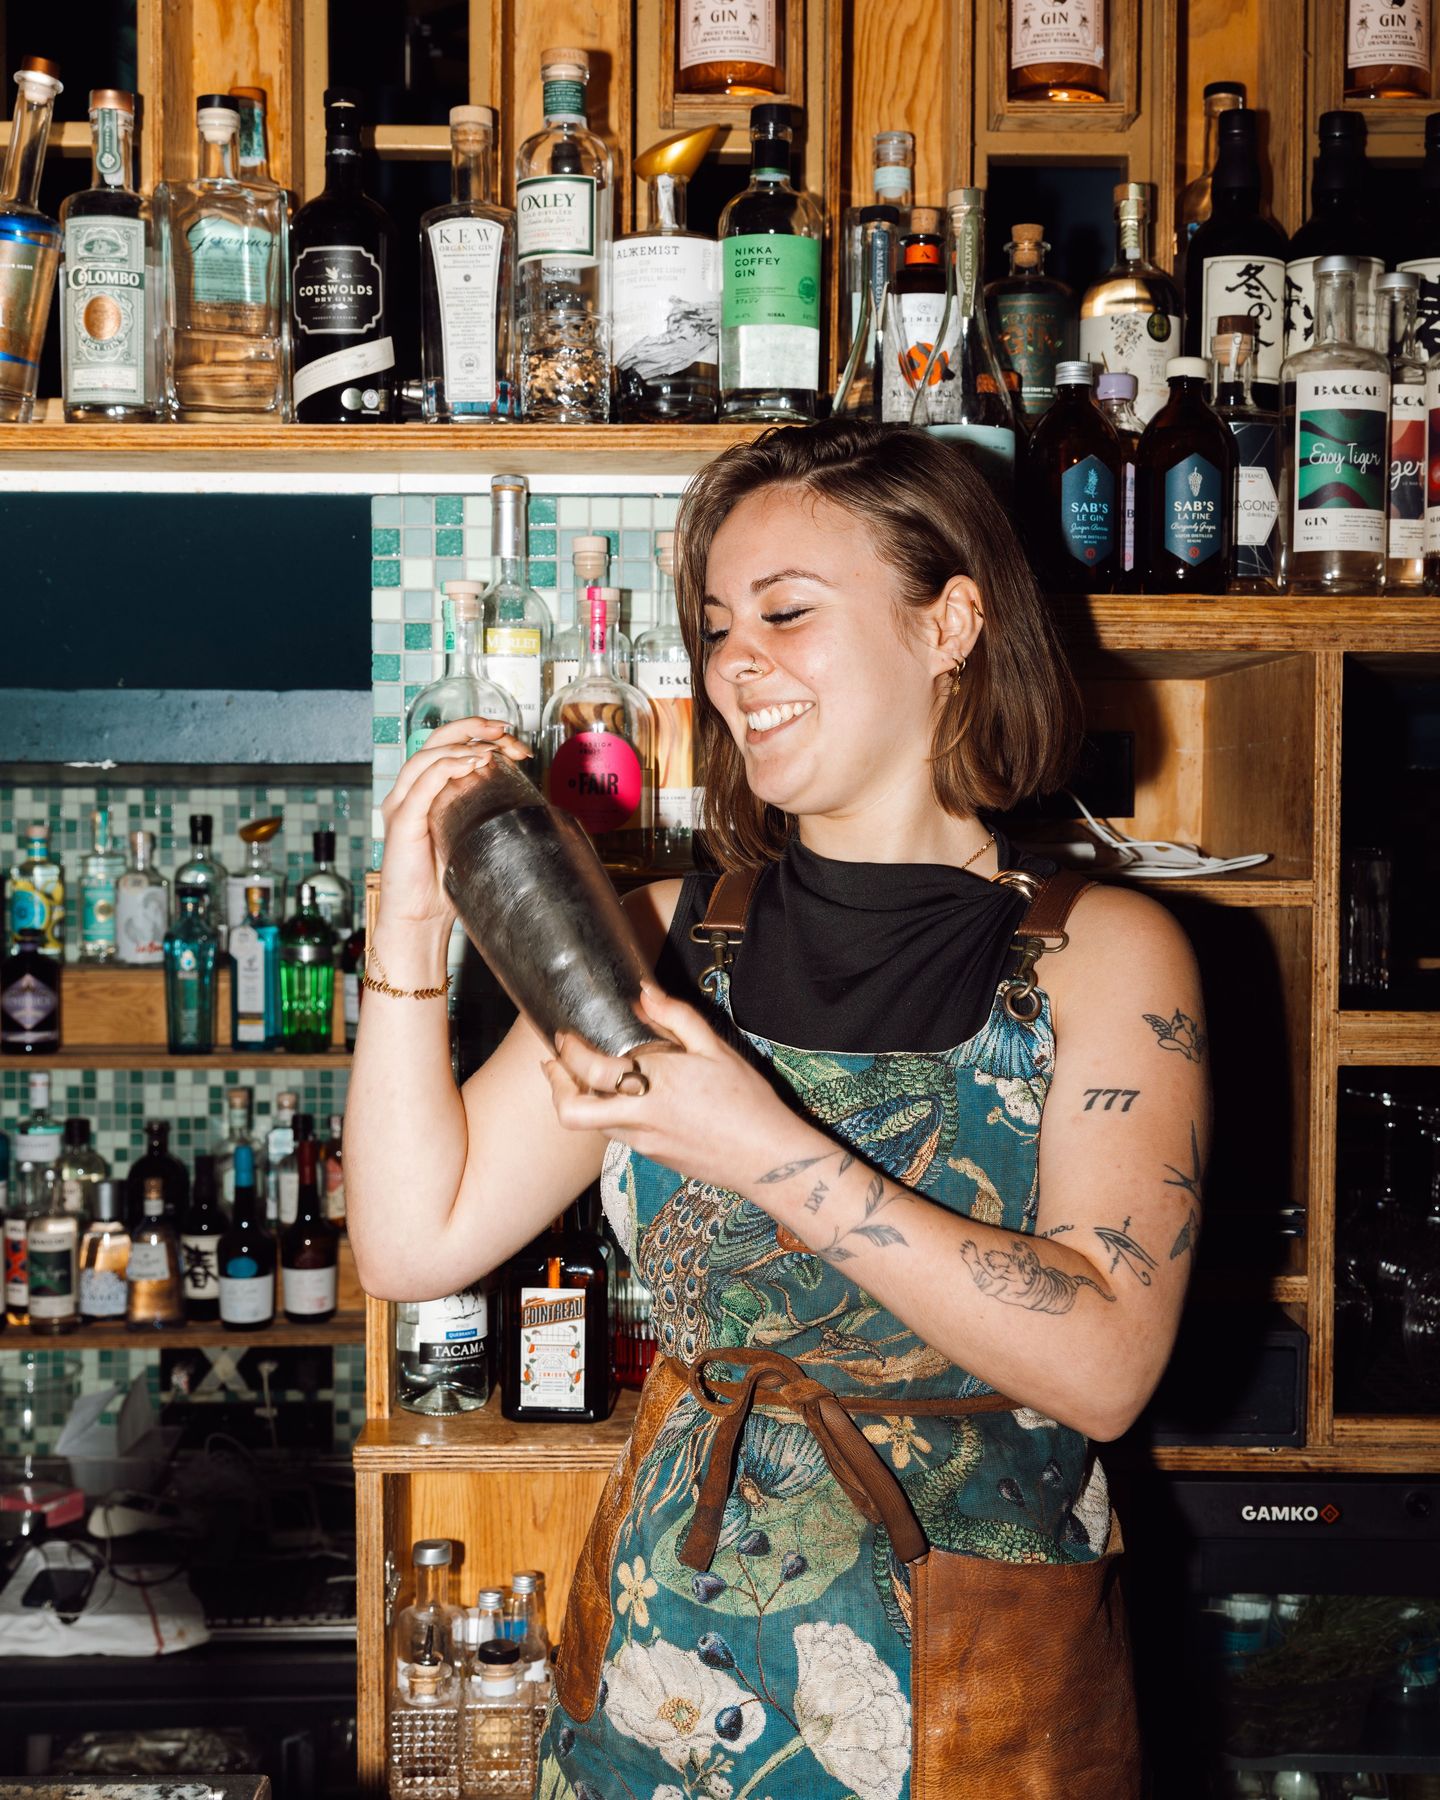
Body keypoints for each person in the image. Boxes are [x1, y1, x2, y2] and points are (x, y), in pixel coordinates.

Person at [347, 419, 1209, 1799]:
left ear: (953, 624)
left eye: (787, 614)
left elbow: (1103, 1362)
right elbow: (410, 1239)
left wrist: (754, 1141)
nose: (735, 664)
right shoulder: (656, 935)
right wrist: (405, 927)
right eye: (715, 626)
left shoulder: (1102, 955)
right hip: (661, 1676)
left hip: (965, 1683)